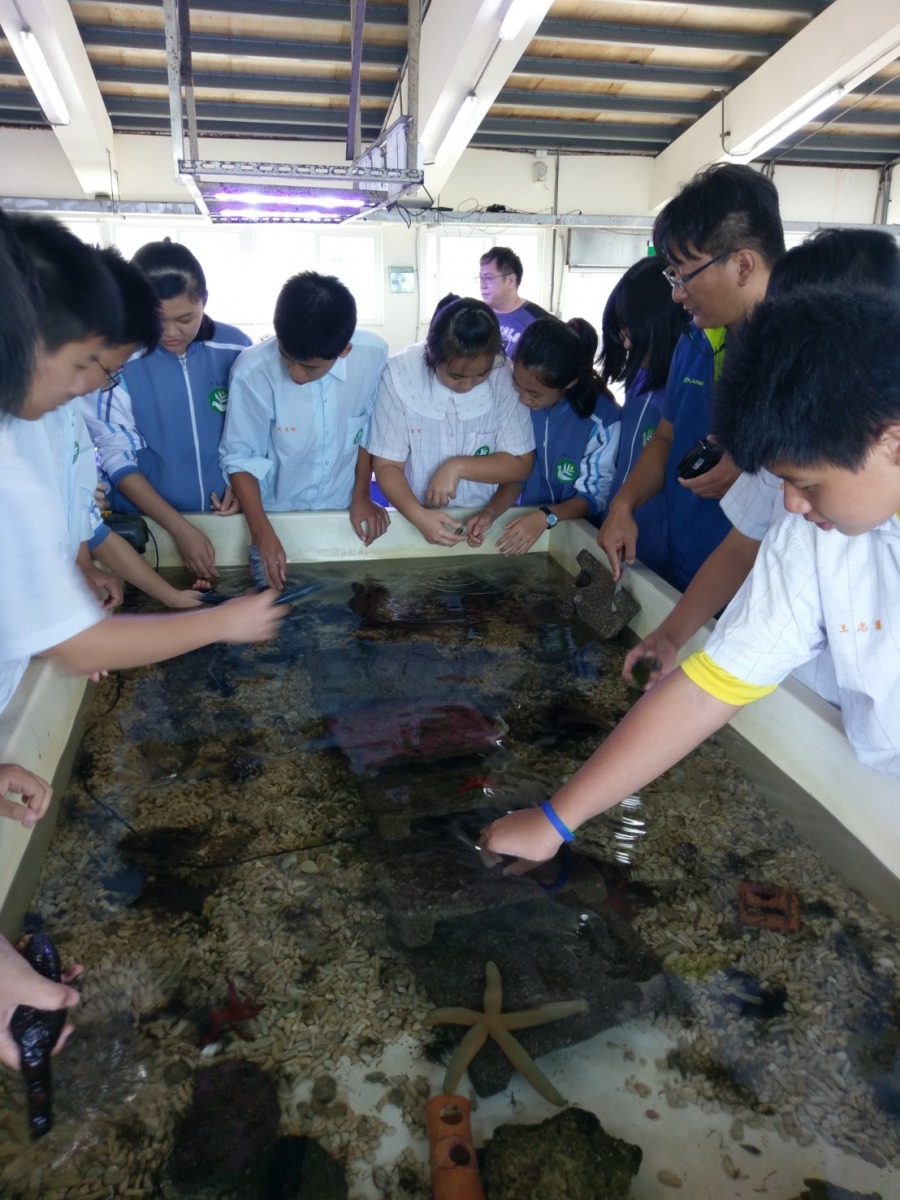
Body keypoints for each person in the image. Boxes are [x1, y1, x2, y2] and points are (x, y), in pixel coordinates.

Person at [481, 286, 900, 871]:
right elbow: (716, 683)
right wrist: (556, 820)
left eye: (806, 482)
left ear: (891, 441)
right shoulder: (813, 530)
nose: (792, 504)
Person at [1, 216, 285, 722]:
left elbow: (82, 521)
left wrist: (105, 576)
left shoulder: (50, 420)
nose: (86, 387)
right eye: (87, 363)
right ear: (32, 334)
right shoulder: (13, 459)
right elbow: (80, 647)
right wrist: (224, 621)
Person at [623, 227, 900, 690]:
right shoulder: (789, 447)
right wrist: (670, 635)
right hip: (799, 688)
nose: (794, 501)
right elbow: (743, 544)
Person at [597, 163, 784, 592]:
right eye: (672, 275)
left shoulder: (807, 354)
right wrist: (623, 505)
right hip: (687, 569)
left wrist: (756, 471)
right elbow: (665, 437)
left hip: (756, 590)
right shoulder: (696, 341)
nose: (677, 293)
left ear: (742, 265)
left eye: (685, 274)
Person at [81, 239, 252, 580]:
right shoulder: (118, 361)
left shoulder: (236, 347)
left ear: (204, 299)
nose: (171, 332)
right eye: (158, 320)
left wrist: (244, 480)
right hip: (148, 525)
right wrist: (179, 528)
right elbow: (117, 457)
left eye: (185, 318)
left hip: (225, 517)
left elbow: (255, 432)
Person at [220, 271, 390, 589]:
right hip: (272, 511)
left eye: (310, 367)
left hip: (339, 507)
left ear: (344, 351)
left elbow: (368, 426)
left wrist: (362, 494)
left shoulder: (373, 355)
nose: (296, 374)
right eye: (287, 359)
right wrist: (262, 534)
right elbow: (240, 456)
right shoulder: (252, 371)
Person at [367, 297, 535, 546]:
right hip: (415, 517)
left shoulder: (503, 375)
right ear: (433, 356)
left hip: (482, 520)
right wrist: (419, 516)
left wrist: (456, 467)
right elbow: (387, 464)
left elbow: (521, 463)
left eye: (481, 375)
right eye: (457, 376)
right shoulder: (399, 375)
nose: (467, 386)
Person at [465, 316, 621, 554]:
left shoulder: (602, 419)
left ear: (569, 384)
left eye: (535, 394)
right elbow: (518, 476)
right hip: (530, 522)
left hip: (579, 535)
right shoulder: (520, 406)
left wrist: (545, 517)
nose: (524, 399)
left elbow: (593, 497)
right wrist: (490, 513)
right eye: (517, 385)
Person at [598, 256, 687, 583]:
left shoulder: (686, 391)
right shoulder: (638, 380)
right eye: (622, 333)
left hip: (663, 552)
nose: (626, 344)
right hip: (619, 529)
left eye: (632, 333)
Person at [478, 247, 550, 357]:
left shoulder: (539, 321)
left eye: (488, 278)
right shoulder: (479, 315)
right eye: (481, 278)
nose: (482, 285)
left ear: (510, 281)